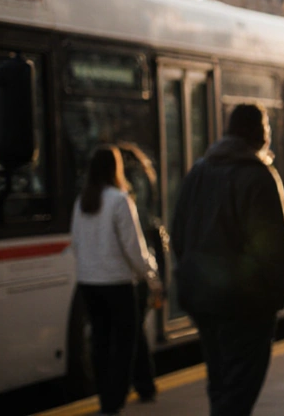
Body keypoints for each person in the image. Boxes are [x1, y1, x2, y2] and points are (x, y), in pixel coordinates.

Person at [171, 104, 284, 416]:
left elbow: (178, 233)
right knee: (240, 387)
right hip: (246, 304)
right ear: (259, 133)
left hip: (202, 299)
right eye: (266, 128)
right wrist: (279, 293)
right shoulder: (259, 176)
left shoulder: (198, 171)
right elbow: (272, 249)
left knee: (219, 381)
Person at [70, 146, 161, 416]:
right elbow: (134, 247)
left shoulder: (81, 202)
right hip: (118, 282)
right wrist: (151, 276)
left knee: (100, 340)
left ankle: (119, 393)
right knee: (125, 341)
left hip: (88, 282)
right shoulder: (120, 200)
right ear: (115, 169)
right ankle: (114, 400)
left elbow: (76, 243)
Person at [117, 142, 165, 403]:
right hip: (148, 255)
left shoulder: (126, 192)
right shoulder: (144, 175)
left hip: (139, 262)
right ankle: (143, 383)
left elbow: (133, 239)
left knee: (132, 330)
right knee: (135, 328)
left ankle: (140, 384)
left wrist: (147, 273)